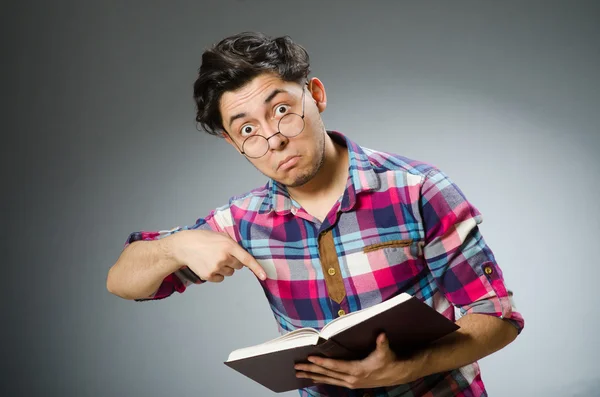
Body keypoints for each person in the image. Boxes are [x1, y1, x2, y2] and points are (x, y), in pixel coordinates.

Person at [106, 31, 524, 397]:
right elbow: (124, 282)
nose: (272, 139)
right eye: (247, 129)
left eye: (282, 110)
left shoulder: (418, 188)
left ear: (316, 96)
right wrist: (175, 246)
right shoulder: (242, 221)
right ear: (234, 143)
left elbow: (499, 317)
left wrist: (406, 367)